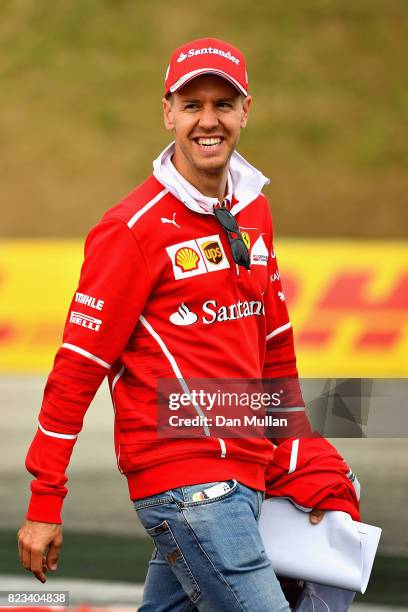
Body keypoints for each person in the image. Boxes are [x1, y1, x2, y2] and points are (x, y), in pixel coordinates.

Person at [18, 38, 356, 611]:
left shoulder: (253, 209)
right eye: (192, 104)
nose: (208, 120)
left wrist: (298, 452)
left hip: (245, 473)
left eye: (223, 104)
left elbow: (274, 344)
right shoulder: (131, 229)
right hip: (188, 486)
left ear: (245, 111)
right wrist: (44, 500)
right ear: (167, 112)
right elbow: (77, 369)